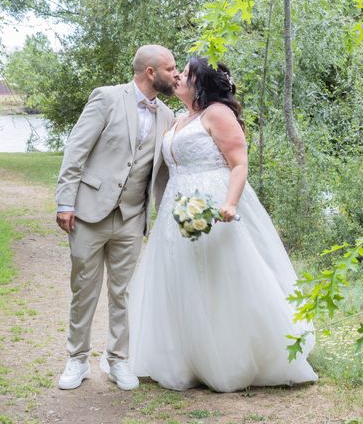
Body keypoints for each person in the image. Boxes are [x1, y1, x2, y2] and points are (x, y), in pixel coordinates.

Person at [128, 57, 318, 392]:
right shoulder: (179, 119)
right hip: (177, 208)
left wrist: (228, 203)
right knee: (182, 279)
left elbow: (239, 163)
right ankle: (188, 357)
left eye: (184, 74)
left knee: (222, 278)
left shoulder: (217, 113)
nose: (177, 77)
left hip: (215, 204)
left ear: (199, 83)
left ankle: (233, 357)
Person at [55, 45, 178, 391]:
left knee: (123, 292)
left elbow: (166, 172)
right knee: (84, 289)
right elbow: (76, 151)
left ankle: (118, 360)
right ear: (151, 72)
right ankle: (77, 359)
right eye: (170, 68)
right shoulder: (107, 98)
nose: (176, 74)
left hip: (131, 216)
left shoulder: (167, 115)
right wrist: (65, 202)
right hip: (89, 211)